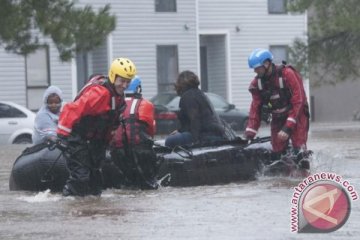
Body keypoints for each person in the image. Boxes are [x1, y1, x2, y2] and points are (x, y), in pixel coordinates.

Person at [56, 57, 136, 197]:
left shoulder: (118, 97)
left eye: (128, 82)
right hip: (77, 137)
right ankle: (67, 206)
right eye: (121, 81)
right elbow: (70, 109)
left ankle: (93, 212)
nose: (124, 85)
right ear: (113, 76)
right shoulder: (100, 93)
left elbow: (111, 124)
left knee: (95, 180)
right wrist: (62, 136)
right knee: (80, 177)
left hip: (95, 142)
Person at [245, 49, 310, 168]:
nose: (255, 71)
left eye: (257, 68)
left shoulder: (287, 74)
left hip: (297, 114)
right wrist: (250, 133)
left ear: (266, 64)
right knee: (277, 152)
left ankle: (304, 177)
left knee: (299, 149)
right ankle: (282, 180)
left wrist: (288, 127)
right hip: (278, 117)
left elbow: (298, 101)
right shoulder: (257, 84)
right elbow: (255, 108)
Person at [109, 76, 158, 189]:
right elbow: (151, 130)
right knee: (149, 186)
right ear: (138, 88)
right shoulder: (145, 104)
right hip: (139, 150)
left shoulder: (114, 103)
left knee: (127, 185)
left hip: (116, 151)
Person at [165, 70, 227, 148]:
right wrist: (180, 131)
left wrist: (195, 143)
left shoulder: (188, 96)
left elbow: (195, 120)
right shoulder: (200, 93)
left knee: (170, 140)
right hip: (215, 133)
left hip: (205, 136)